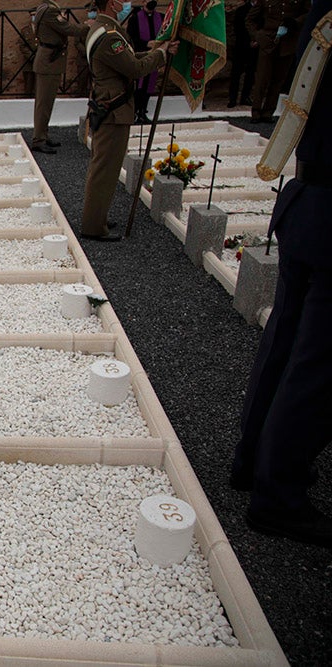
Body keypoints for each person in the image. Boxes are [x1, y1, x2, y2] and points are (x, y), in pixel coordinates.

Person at [230, 0, 332, 548]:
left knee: (286, 342)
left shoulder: (322, 9)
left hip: (307, 199)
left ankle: (253, 460)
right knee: (317, 366)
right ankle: (280, 490)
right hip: (327, 204)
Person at [79, 0, 176, 241]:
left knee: (105, 168)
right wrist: (162, 55)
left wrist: (156, 51)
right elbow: (134, 68)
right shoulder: (110, 36)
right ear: (112, 4)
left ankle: (97, 217)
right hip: (114, 110)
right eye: (121, 1)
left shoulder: (102, 29)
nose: (125, 4)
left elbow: (128, 58)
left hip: (109, 106)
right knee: (105, 169)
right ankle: (93, 226)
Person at [31, 0, 90, 154]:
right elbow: (68, 28)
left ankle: (42, 134)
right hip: (48, 63)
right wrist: (89, 25)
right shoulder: (50, 11)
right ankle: (38, 139)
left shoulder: (46, 8)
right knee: (44, 103)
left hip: (49, 60)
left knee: (46, 102)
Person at [246, 0, 310, 122]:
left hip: (288, 43)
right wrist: (257, 36)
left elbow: (308, 14)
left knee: (278, 80)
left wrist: (295, 22)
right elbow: (250, 19)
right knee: (261, 78)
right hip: (267, 42)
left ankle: (268, 112)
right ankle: (256, 111)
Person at [127, 0, 164, 124]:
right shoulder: (135, 19)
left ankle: (143, 111)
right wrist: (146, 44)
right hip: (140, 56)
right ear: (143, 2)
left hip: (154, 57)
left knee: (149, 85)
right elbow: (130, 39)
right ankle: (135, 112)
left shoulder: (161, 17)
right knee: (139, 85)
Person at [228, 0, 259, 107]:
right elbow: (238, 29)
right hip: (241, 46)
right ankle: (232, 98)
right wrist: (248, 41)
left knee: (250, 74)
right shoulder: (241, 10)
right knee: (236, 74)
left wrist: (256, 40)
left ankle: (245, 97)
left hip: (255, 47)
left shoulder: (262, 10)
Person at [18, 11, 39, 96]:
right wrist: (31, 56)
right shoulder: (25, 30)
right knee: (28, 85)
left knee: (39, 86)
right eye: (32, 15)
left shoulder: (43, 30)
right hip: (28, 62)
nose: (34, 17)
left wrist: (39, 56)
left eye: (35, 15)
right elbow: (22, 46)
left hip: (40, 61)